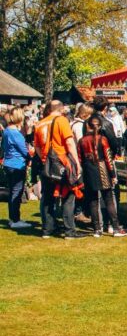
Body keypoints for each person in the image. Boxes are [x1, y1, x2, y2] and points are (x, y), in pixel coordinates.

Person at [33, 100, 83, 240]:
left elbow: (36, 146)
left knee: (47, 196)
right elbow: (69, 142)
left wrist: (44, 158)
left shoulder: (40, 123)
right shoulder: (62, 120)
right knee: (68, 195)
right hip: (62, 162)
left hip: (46, 164)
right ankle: (69, 231)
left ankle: (47, 229)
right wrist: (77, 163)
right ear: (61, 109)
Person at [77, 114, 126, 237]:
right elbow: (108, 158)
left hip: (88, 170)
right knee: (108, 199)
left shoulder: (82, 141)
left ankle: (97, 229)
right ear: (99, 127)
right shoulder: (102, 139)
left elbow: (79, 159)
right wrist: (113, 174)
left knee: (93, 201)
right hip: (102, 168)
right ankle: (115, 228)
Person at [1, 106, 30, 229]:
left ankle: (12, 218)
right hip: (17, 164)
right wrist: (30, 156)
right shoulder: (15, 134)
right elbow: (24, 150)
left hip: (8, 163)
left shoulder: (7, 131)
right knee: (16, 192)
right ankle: (15, 219)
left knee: (13, 191)